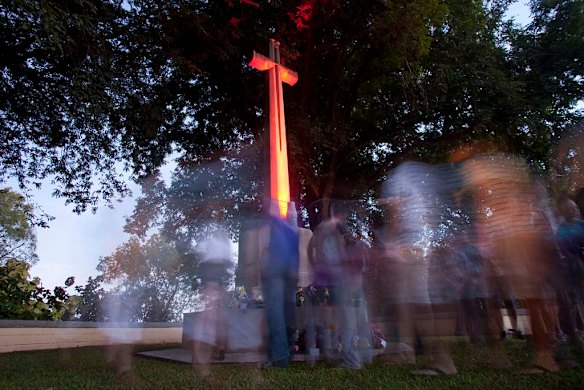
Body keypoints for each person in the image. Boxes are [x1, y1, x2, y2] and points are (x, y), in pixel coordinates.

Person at [260, 201, 300, 368]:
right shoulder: (292, 230)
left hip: (276, 268)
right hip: (291, 269)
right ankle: (287, 350)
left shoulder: (275, 226)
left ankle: (280, 356)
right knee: (287, 308)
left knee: (276, 311)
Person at [192, 227, 233, 377]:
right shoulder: (225, 245)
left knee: (206, 313)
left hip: (211, 270)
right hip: (222, 272)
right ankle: (220, 349)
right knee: (220, 313)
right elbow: (229, 264)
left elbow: (199, 252)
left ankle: (198, 351)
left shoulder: (210, 242)